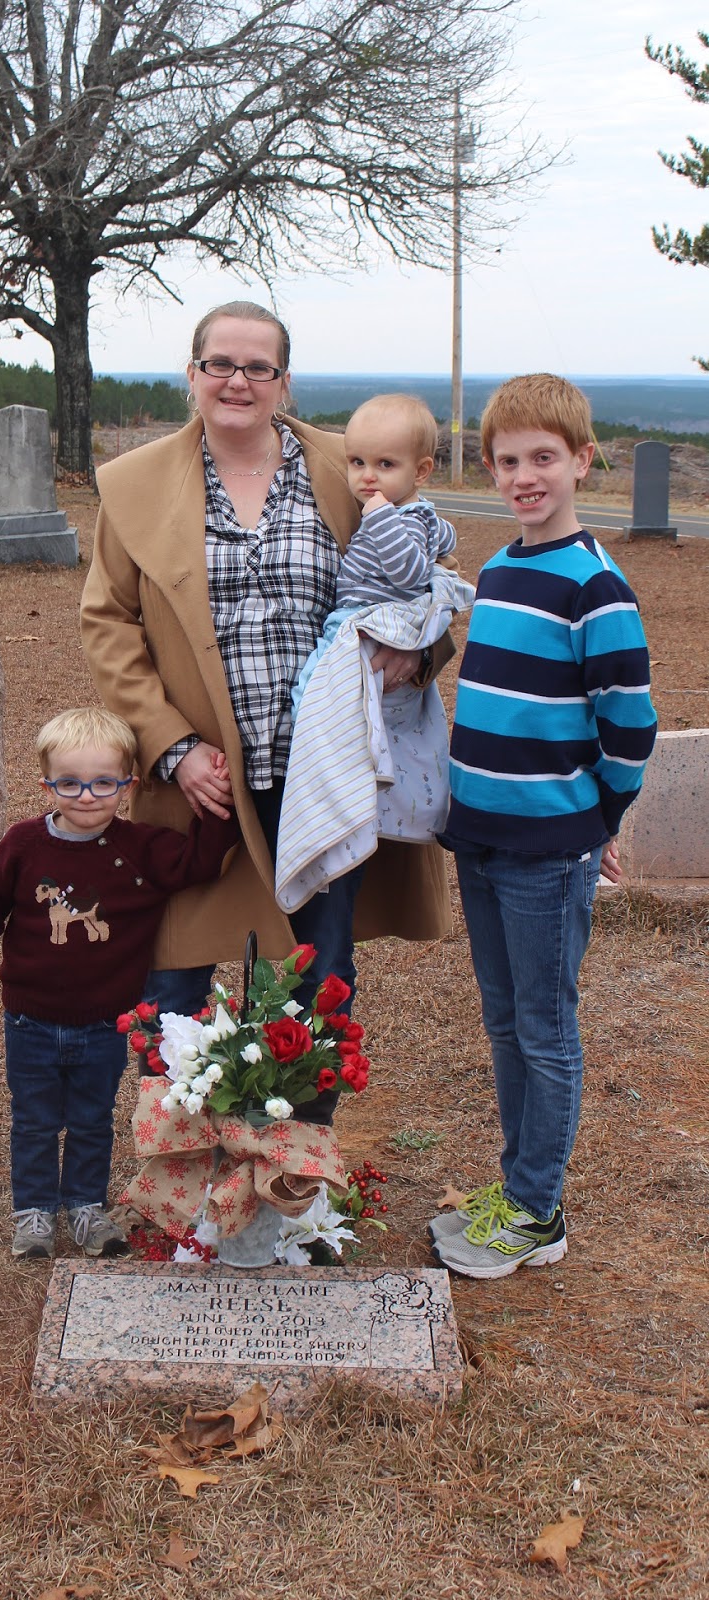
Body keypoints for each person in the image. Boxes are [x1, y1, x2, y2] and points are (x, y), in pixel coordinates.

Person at [80, 301, 452, 1123]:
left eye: (258, 367)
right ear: (192, 373)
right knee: (171, 983)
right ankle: (180, 1168)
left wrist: (416, 655)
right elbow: (108, 622)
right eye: (219, 364)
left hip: (325, 774)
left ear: (284, 381)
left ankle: (292, 1167)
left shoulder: (349, 466)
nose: (237, 381)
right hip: (202, 784)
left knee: (318, 982)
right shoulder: (136, 485)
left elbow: (419, 585)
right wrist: (172, 746)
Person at [430, 374, 657, 1279]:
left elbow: (628, 725)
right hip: (480, 836)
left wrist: (600, 819)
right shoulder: (498, 571)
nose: (524, 476)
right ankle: (517, 1186)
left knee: (543, 1028)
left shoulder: (594, 587)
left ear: (581, 461)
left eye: (543, 458)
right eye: (507, 460)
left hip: (548, 848)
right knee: (501, 1021)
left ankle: (536, 1210)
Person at [0, 708, 239, 1261]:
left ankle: (87, 1206)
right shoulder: (23, 844)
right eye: (69, 783)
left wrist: (217, 801)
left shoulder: (141, 850)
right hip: (30, 1019)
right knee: (35, 1120)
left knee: (92, 1120)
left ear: (128, 785)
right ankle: (34, 1212)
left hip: (105, 1021)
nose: (86, 796)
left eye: (103, 783)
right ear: (47, 783)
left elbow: (200, 863)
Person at [274, 393, 475, 912]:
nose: (367, 477)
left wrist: (381, 516)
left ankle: (311, 738)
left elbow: (410, 573)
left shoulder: (393, 516)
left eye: (385, 465)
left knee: (316, 692)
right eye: (358, 462)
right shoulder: (414, 514)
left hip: (363, 621)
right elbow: (441, 534)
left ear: (421, 470)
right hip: (357, 614)